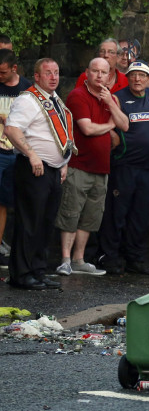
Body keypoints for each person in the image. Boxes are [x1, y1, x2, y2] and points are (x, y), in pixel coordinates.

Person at [96, 62, 149, 275]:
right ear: (127, 77)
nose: (137, 79)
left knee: (140, 215)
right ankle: (110, 257)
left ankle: (135, 259)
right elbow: (109, 126)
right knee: (117, 213)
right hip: (124, 165)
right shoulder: (118, 97)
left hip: (148, 167)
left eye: (142, 75)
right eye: (133, 75)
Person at [55, 58, 130, 277]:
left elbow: (125, 124)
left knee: (90, 216)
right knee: (71, 213)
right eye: (95, 71)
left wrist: (111, 104)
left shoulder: (112, 98)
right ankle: (65, 260)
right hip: (79, 164)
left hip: (101, 167)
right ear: (87, 73)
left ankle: (79, 259)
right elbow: (87, 129)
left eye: (103, 72)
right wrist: (109, 125)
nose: (99, 76)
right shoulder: (78, 95)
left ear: (109, 75)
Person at [5, 58, 72, 290]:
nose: (53, 77)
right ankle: (22, 274)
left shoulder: (54, 100)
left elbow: (60, 135)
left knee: (45, 223)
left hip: (52, 170)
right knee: (29, 222)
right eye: (48, 73)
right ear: (37, 76)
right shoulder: (29, 99)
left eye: (56, 72)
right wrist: (32, 154)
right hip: (33, 167)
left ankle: (38, 270)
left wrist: (64, 162)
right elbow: (12, 129)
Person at [0, 49, 32, 259]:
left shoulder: (27, 88)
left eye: (2, 73)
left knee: (14, 202)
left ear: (14, 69)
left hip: (20, 152)